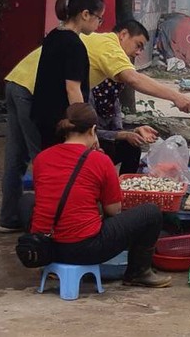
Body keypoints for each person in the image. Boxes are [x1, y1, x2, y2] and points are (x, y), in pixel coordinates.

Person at [0, 19, 190, 233]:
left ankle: (9, 218)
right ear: (122, 34)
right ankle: (50, 227)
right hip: (32, 91)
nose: (138, 52)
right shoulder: (108, 45)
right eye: (138, 45)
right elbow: (133, 78)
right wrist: (175, 97)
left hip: (17, 81)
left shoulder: (94, 46)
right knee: (46, 160)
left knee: (17, 156)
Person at [20, 103, 171, 288]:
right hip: (85, 249)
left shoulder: (42, 158)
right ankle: (138, 272)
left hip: (45, 246)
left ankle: (49, 268)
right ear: (93, 130)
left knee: (27, 199)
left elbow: (50, 196)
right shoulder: (100, 160)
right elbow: (113, 210)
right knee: (151, 212)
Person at [32, 0, 104, 150]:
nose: (99, 24)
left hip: (44, 115)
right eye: (99, 18)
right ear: (85, 14)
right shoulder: (74, 45)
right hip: (63, 121)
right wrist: (84, 127)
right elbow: (72, 88)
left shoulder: (54, 35)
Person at [89, 79, 158, 174]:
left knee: (132, 147)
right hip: (91, 144)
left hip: (109, 144)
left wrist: (135, 131)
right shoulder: (89, 97)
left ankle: (126, 181)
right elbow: (90, 131)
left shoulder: (113, 99)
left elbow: (118, 130)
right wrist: (125, 135)